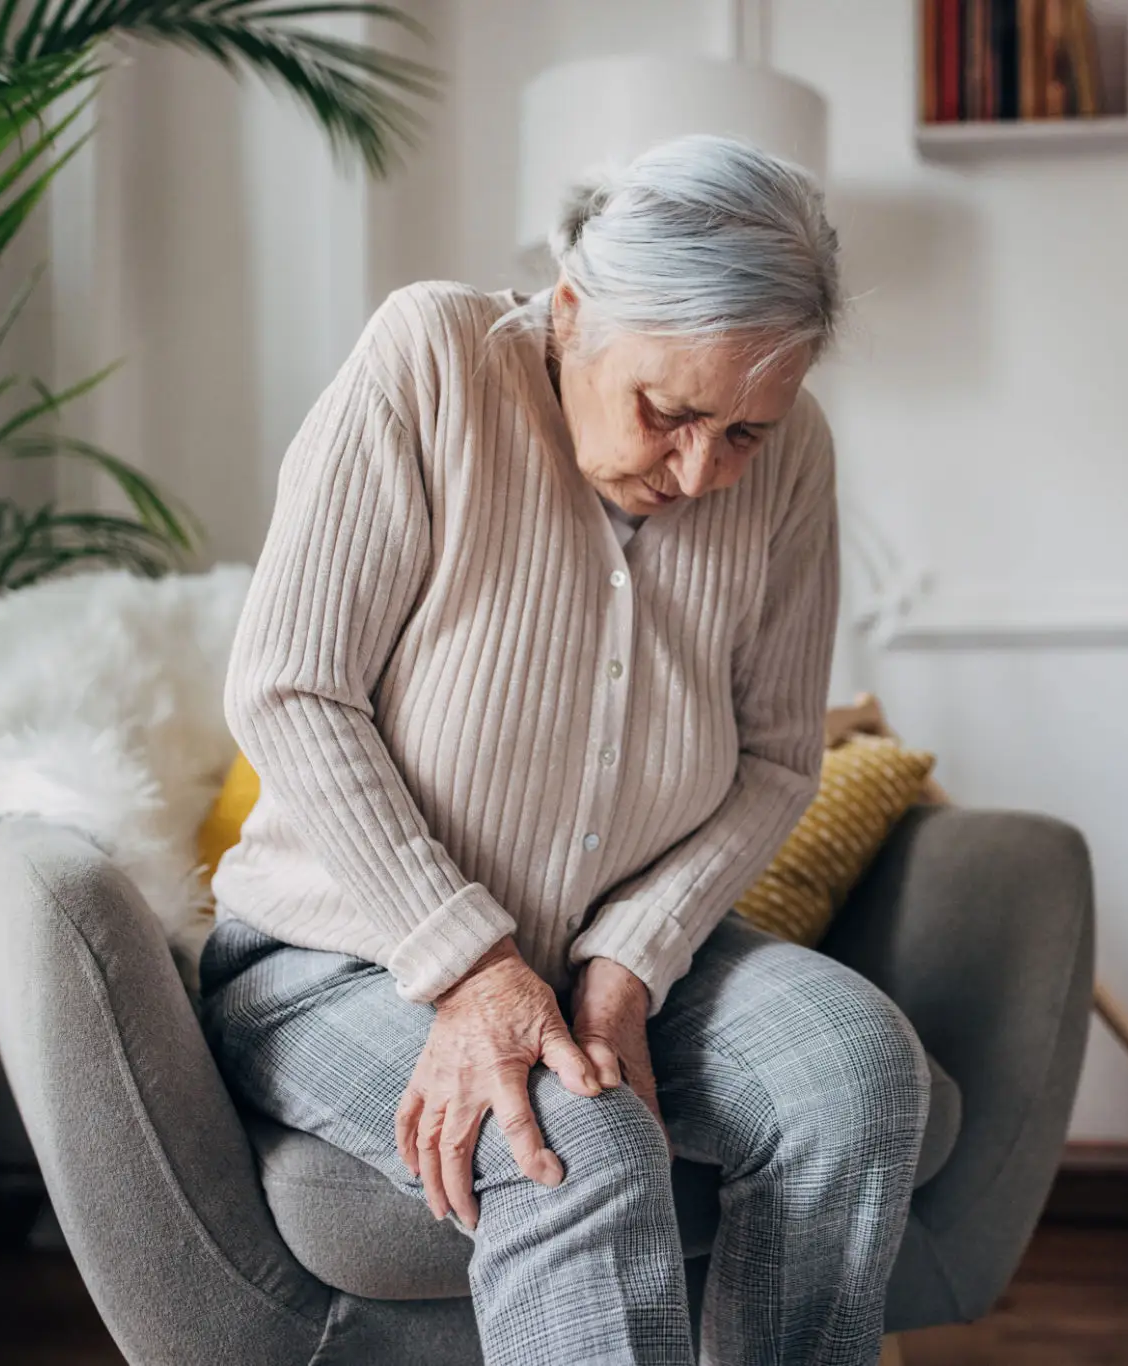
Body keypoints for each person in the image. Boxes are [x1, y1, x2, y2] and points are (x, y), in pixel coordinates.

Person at [200, 134, 931, 1366]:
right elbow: (290, 686)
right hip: (338, 957)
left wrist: (631, 956)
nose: (700, 471)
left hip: (621, 949)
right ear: (574, 310)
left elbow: (775, 759)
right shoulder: (432, 356)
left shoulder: (795, 452)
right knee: (572, 1140)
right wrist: (472, 965)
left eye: (742, 432)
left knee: (855, 1074)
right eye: (669, 412)